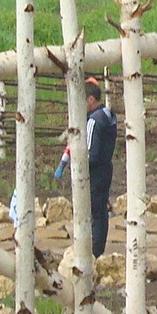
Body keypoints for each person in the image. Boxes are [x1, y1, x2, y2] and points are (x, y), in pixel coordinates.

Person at [55, 77, 116, 256]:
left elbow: (90, 152)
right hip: (107, 169)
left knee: (93, 214)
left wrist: (75, 161)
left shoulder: (93, 121)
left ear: (90, 100)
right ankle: (98, 249)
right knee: (101, 212)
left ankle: (93, 252)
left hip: (95, 173)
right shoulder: (109, 115)